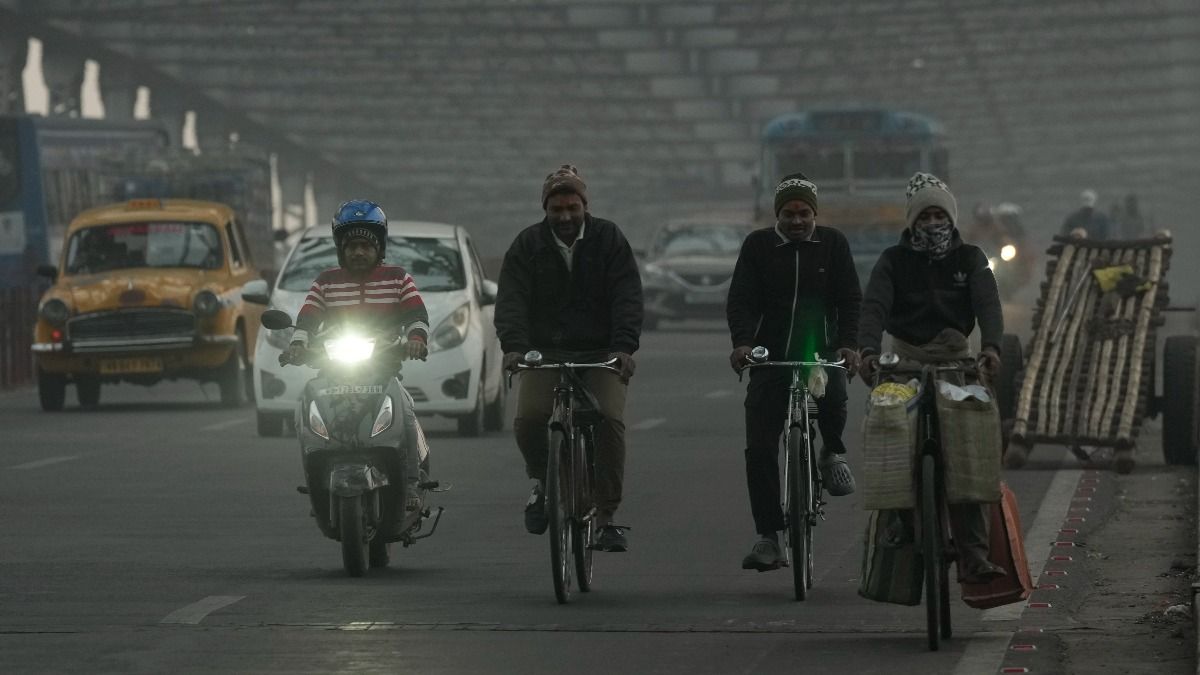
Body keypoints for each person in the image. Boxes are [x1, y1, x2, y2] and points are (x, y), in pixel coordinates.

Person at [857, 172, 1006, 584]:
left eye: (940, 214)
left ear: (952, 218)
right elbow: (873, 308)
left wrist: (992, 349)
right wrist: (867, 352)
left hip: (956, 363)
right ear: (912, 221)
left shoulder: (971, 259)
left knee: (968, 448)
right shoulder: (892, 261)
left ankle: (974, 552)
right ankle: (897, 524)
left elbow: (989, 307)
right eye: (925, 215)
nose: (933, 223)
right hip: (903, 364)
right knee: (888, 431)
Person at [493, 165, 643, 553]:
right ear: (546, 209)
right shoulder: (527, 245)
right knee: (528, 419)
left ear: (584, 205)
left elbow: (627, 296)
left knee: (609, 417)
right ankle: (544, 481)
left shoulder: (608, 238)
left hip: (600, 354)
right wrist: (514, 347)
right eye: (556, 208)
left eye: (571, 207)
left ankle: (607, 515)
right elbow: (511, 301)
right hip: (545, 354)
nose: (564, 216)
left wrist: (623, 348)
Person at [726, 172, 863, 572]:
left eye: (805, 213)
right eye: (789, 213)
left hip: (821, 352)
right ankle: (769, 536)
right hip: (771, 357)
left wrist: (848, 345)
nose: (797, 221)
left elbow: (851, 299)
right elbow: (741, 300)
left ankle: (831, 451)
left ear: (815, 214)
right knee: (760, 446)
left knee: (835, 396)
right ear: (777, 215)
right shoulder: (757, 246)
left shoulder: (834, 244)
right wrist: (742, 343)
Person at [286, 199, 432, 511]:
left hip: (383, 372)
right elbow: (308, 316)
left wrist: (416, 338)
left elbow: (417, 315)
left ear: (380, 247)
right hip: (334, 373)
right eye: (351, 246)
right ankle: (316, 480)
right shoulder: (326, 281)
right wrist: (298, 344)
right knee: (305, 409)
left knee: (404, 411)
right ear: (340, 248)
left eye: (366, 246)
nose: (358, 252)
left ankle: (410, 484)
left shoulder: (398, 278)